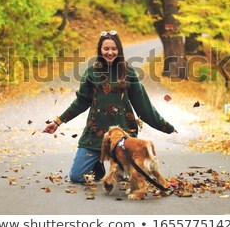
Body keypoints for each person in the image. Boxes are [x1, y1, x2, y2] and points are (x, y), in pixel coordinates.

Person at [43, 30, 176, 183]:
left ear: (119, 50)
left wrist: (166, 126)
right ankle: (97, 166)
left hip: (124, 137)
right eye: (106, 49)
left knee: (127, 178)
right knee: (77, 177)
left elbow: (143, 105)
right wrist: (58, 122)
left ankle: (119, 168)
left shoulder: (128, 72)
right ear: (100, 50)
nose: (110, 52)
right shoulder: (91, 73)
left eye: (114, 48)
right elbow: (80, 102)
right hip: (95, 135)